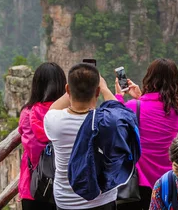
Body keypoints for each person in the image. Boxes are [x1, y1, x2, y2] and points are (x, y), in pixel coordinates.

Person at [43, 62, 119, 210]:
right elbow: (119, 112)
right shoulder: (109, 122)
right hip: (103, 200)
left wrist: (73, 86)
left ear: (67, 89)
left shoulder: (53, 121)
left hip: (66, 201)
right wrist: (104, 88)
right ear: (97, 92)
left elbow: (53, 108)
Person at [115, 58, 178, 210]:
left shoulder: (133, 107)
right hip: (166, 182)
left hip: (137, 183)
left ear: (149, 78)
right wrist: (141, 98)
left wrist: (119, 96)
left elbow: (115, 121)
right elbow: (158, 113)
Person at [18, 62, 67, 210]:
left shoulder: (27, 113)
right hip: (65, 187)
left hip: (34, 187)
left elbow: (26, 139)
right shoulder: (69, 113)